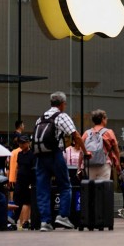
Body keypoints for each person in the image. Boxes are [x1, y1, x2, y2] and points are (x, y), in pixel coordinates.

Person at [32, 91, 84, 231]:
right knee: (65, 185)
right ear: (62, 104)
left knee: (42, 189)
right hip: (55, 154)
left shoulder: (40, 118)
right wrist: (86, 151)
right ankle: (63, 216)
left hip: (40, 156)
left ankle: (45, 222)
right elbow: (75, 135)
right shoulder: (61, 116)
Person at [82, 109, 121, 181]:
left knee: (91, 188)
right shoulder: (109, 132)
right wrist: (118, 163)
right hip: (104, 164)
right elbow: (116, 150)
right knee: (103, 188)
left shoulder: (86, 133)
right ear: (102, 119)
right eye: (106, 118)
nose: (107, 119)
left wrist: (79, 167)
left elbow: (81, 151)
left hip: (89, 164)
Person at [8, 135, 34, 230]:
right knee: (17, 201)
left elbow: (33, 169)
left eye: (23, 142)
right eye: (20, 143)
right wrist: (14, 179)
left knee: (26, 202)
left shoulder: (32, 154)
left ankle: (25, 221)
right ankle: (15, 221)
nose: (21, 145)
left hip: (28, 181)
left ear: (28, 142)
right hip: (19, 180)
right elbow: (17, 168)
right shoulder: (19, 154)